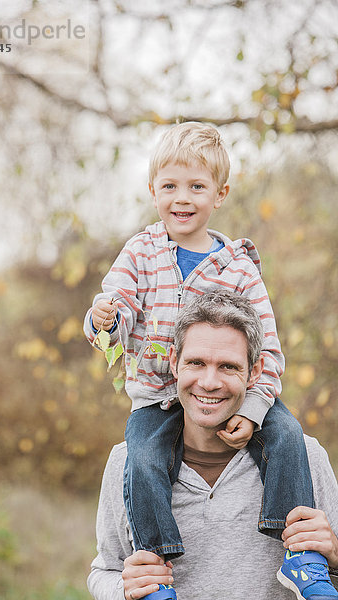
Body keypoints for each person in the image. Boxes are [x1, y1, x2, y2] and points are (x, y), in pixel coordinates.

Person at [84, 122, 315, 598]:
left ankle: (301, 556)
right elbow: (118, 306)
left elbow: (267, 347)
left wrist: (253, 410)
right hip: (156, 396)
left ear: (220, 193)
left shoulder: (237, 266)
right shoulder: (141, 252)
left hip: (239, 400)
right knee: (144, 459)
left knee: (289, 435)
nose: (181, 198)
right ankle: (155, 566)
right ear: (153, 191)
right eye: (169, 186)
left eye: (196, 186)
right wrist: (105, 319)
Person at [87, 292, 338, 600]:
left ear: (255, 372)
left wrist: (335, 557)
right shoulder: (127, 462)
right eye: (196, 362)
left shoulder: (305, 457)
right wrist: (123, 590)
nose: (209, 382)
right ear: (175, 364)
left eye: (228, 367)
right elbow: (104, 572)